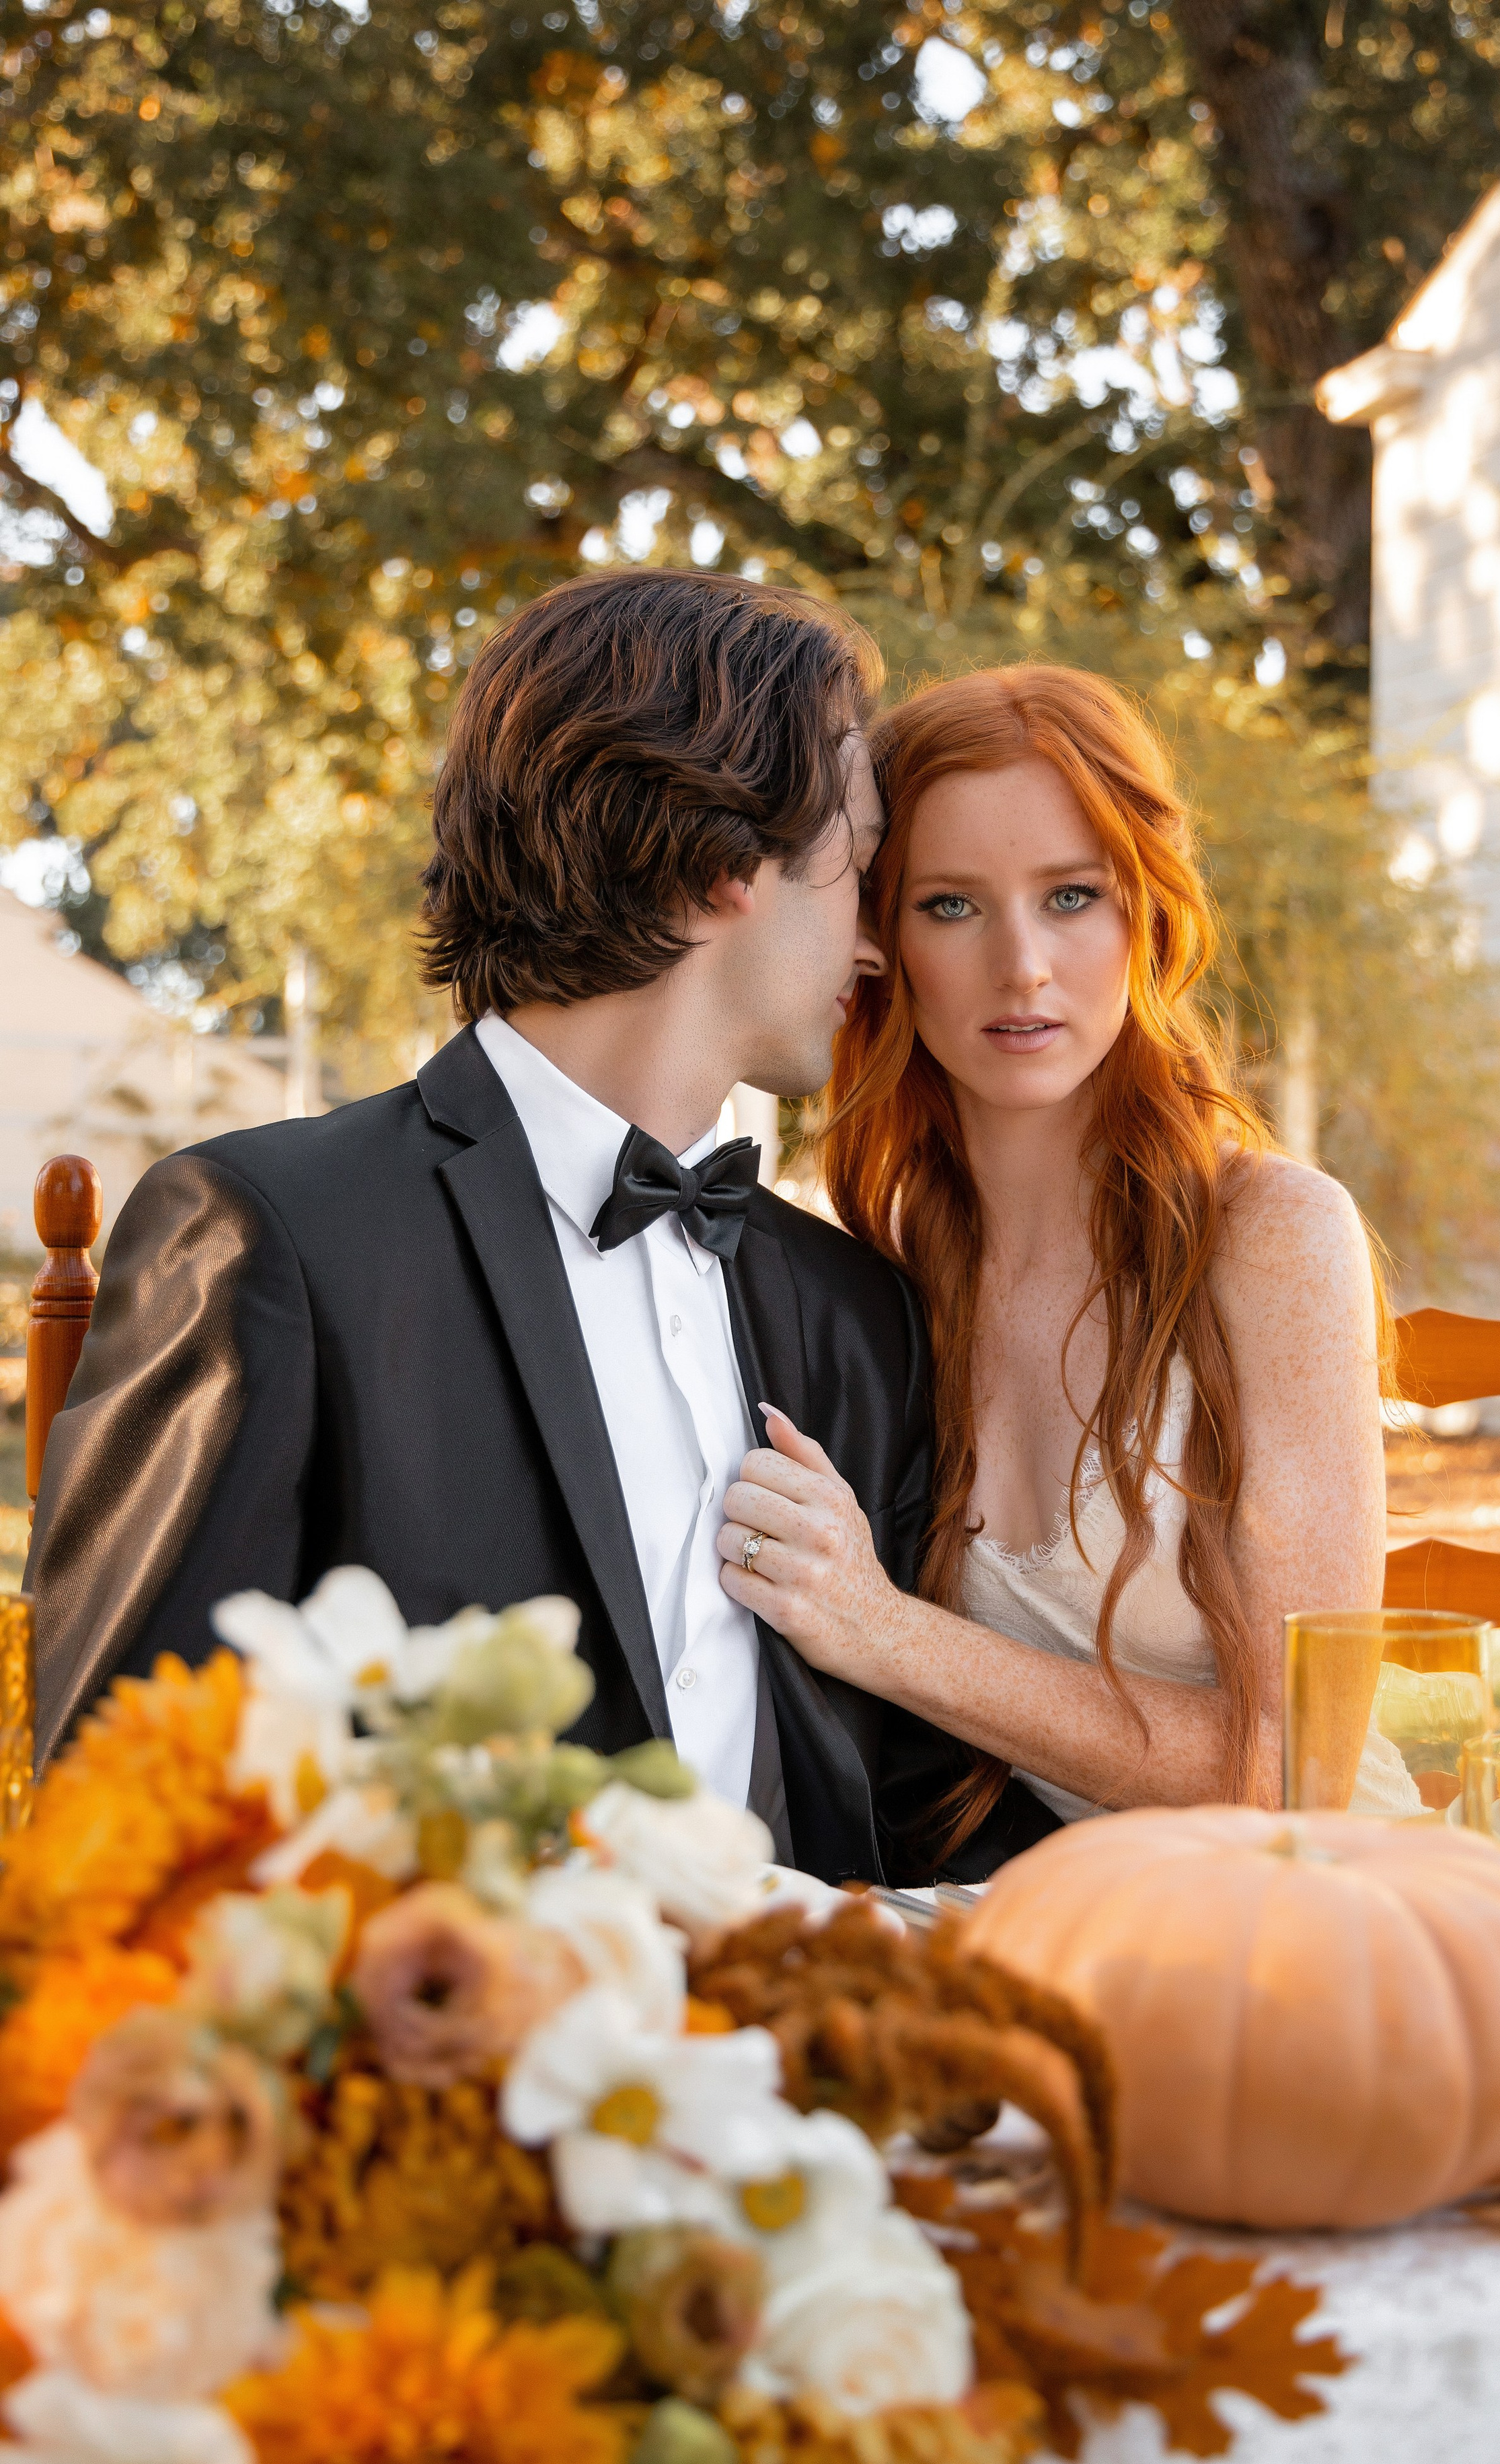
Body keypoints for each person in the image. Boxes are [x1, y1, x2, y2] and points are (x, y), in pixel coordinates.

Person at [25, 571, 1027, 1885]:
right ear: (726, 864)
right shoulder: (274, 1240)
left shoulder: (851, 1309)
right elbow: (124, 1826)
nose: (879, 948)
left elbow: (906, 1810)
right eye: (853, 864)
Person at [715, 663, 1412, 1855]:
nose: (1022, 963)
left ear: (1145, 912)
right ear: (874, 943)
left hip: (1313, 1911)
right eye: (951, 905)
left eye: (1073, 895)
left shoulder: (1273, 1236)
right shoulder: (878, 1265)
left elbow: (1298, 1764)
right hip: (1036, 1901)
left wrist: (880, 1628)